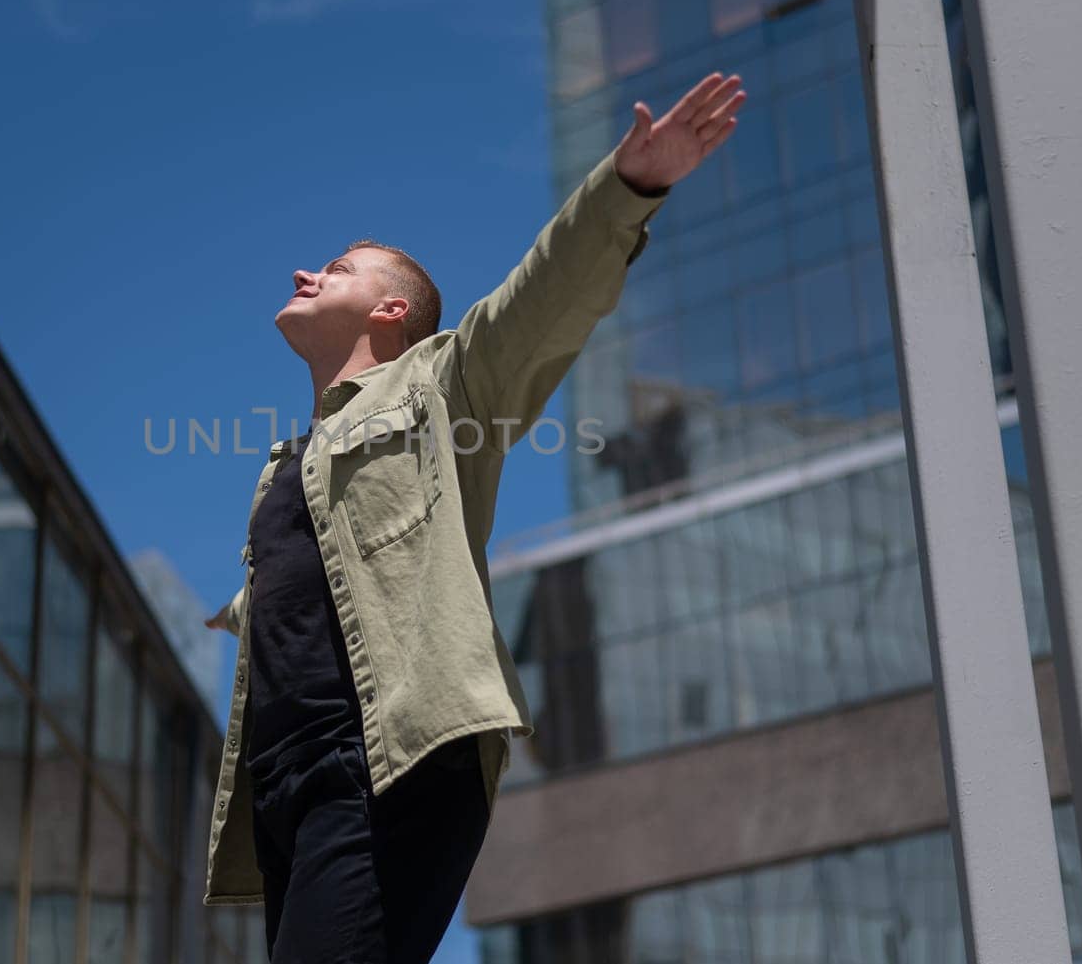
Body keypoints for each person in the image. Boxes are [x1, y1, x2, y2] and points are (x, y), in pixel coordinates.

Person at [201, 72, 747, 963]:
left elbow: (538, 302)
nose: (304, 270)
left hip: (388, 756)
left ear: (391, 311)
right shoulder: (282, 467)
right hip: (285, 786)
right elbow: (337, 564)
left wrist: (629, 186)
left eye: (335, 268)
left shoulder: (441, 388)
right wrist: (239, 606)